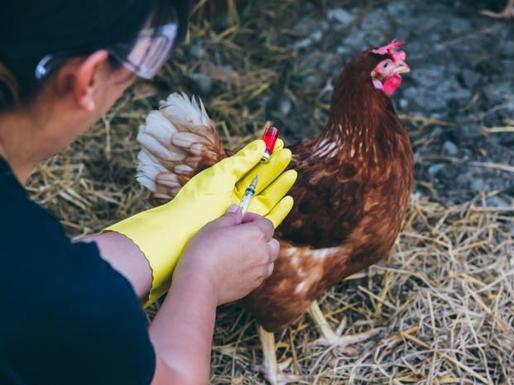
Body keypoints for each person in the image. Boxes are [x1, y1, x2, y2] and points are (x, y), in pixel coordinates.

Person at [0, 1, 297, 384]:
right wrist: (202, 279)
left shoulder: (30, 256)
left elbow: (40, 280)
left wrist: (170, 230)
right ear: (86, 79)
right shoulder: (61, 297)